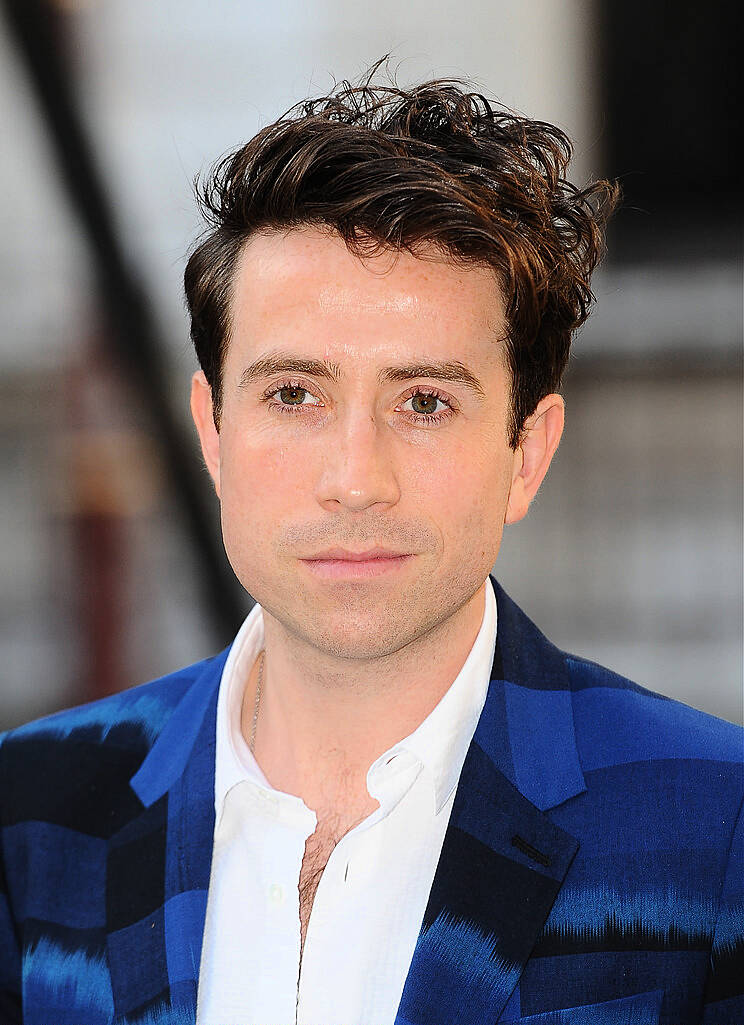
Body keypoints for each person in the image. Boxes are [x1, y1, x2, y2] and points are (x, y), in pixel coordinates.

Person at [1, 65, 742, 1025]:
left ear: (528, 452)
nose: (355, 476)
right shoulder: (32, 814)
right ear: (212, 431)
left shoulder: (715, 827)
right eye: (295, 395)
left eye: (424, 401)